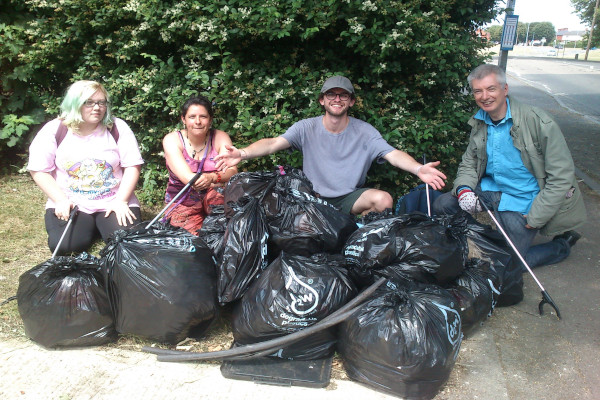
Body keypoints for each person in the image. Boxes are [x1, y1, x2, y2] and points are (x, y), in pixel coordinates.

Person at [214, 75, 446, 215]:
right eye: (331, 94)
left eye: (343, 95)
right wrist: (242, 153)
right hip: (312, 197)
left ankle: (353, 233)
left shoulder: (365, 131)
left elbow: (393, 154)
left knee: (383, 200)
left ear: (351, 101)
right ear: (322, 100)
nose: (337, 99)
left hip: (349, 197)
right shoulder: (306, 127)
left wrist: (418, 169)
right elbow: (273, 143)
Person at [433, 64, 587, 269]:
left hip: (522, 201)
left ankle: (561, 246)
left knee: (507, 267)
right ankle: (487, 244)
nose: (484, 96)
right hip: (490, 190)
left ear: (505, 89)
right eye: (478, 91)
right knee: (443, 204)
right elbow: (469, 163)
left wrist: (538, 215)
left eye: (491, 89)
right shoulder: (480, 122)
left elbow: (562, 177)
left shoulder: (539, 122)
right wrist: (463, 190)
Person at [27, 80, 144, 255]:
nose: (97, 107)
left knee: (128, 244)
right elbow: (38, 169)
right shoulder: (55, 129)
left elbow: (133, 165)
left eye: (101, 102)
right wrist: (60, 200)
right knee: (66, 247)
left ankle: (101, 224)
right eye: (89, 102)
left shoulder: (117, 127)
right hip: (72, 202)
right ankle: (91, 226)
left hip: (113, 201)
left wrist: (122, 200)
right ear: (74, 104)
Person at [162, 95, 238, 234]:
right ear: (183, 119)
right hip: (183, 199)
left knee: (226, 231)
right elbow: (188, 178)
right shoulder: (172, 140)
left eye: (203, 116)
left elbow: (232, 171)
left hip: (215, 195)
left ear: (210, 120)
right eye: (192, 117)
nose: (197, 121)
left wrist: (213, 178)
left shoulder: (220, 137)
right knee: (190, 242)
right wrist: (211, 178)